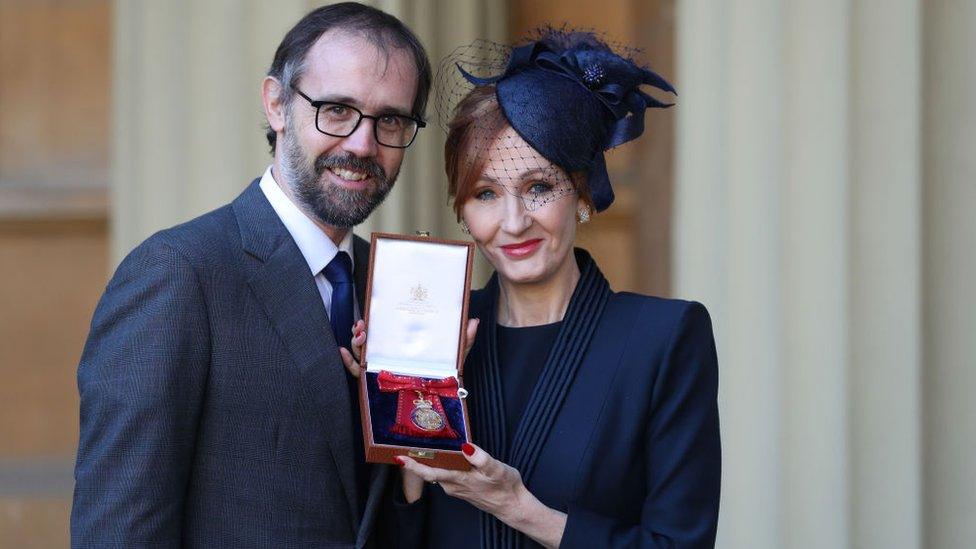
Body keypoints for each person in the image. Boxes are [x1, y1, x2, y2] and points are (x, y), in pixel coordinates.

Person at [70, 3, 431, 547]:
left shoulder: (396, 290)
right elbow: (119, 531)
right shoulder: (177, 275)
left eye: (391, 120)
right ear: (277, 104)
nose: (362, 143)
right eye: (336, 110)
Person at [369, 30, 721, 548]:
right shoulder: (433, 335)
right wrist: (409, 462)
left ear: (581, 192)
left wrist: (522, 509)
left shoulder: (664, 340)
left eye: (538, 187)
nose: (513, 223)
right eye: (485, 193)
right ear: (461, 210)